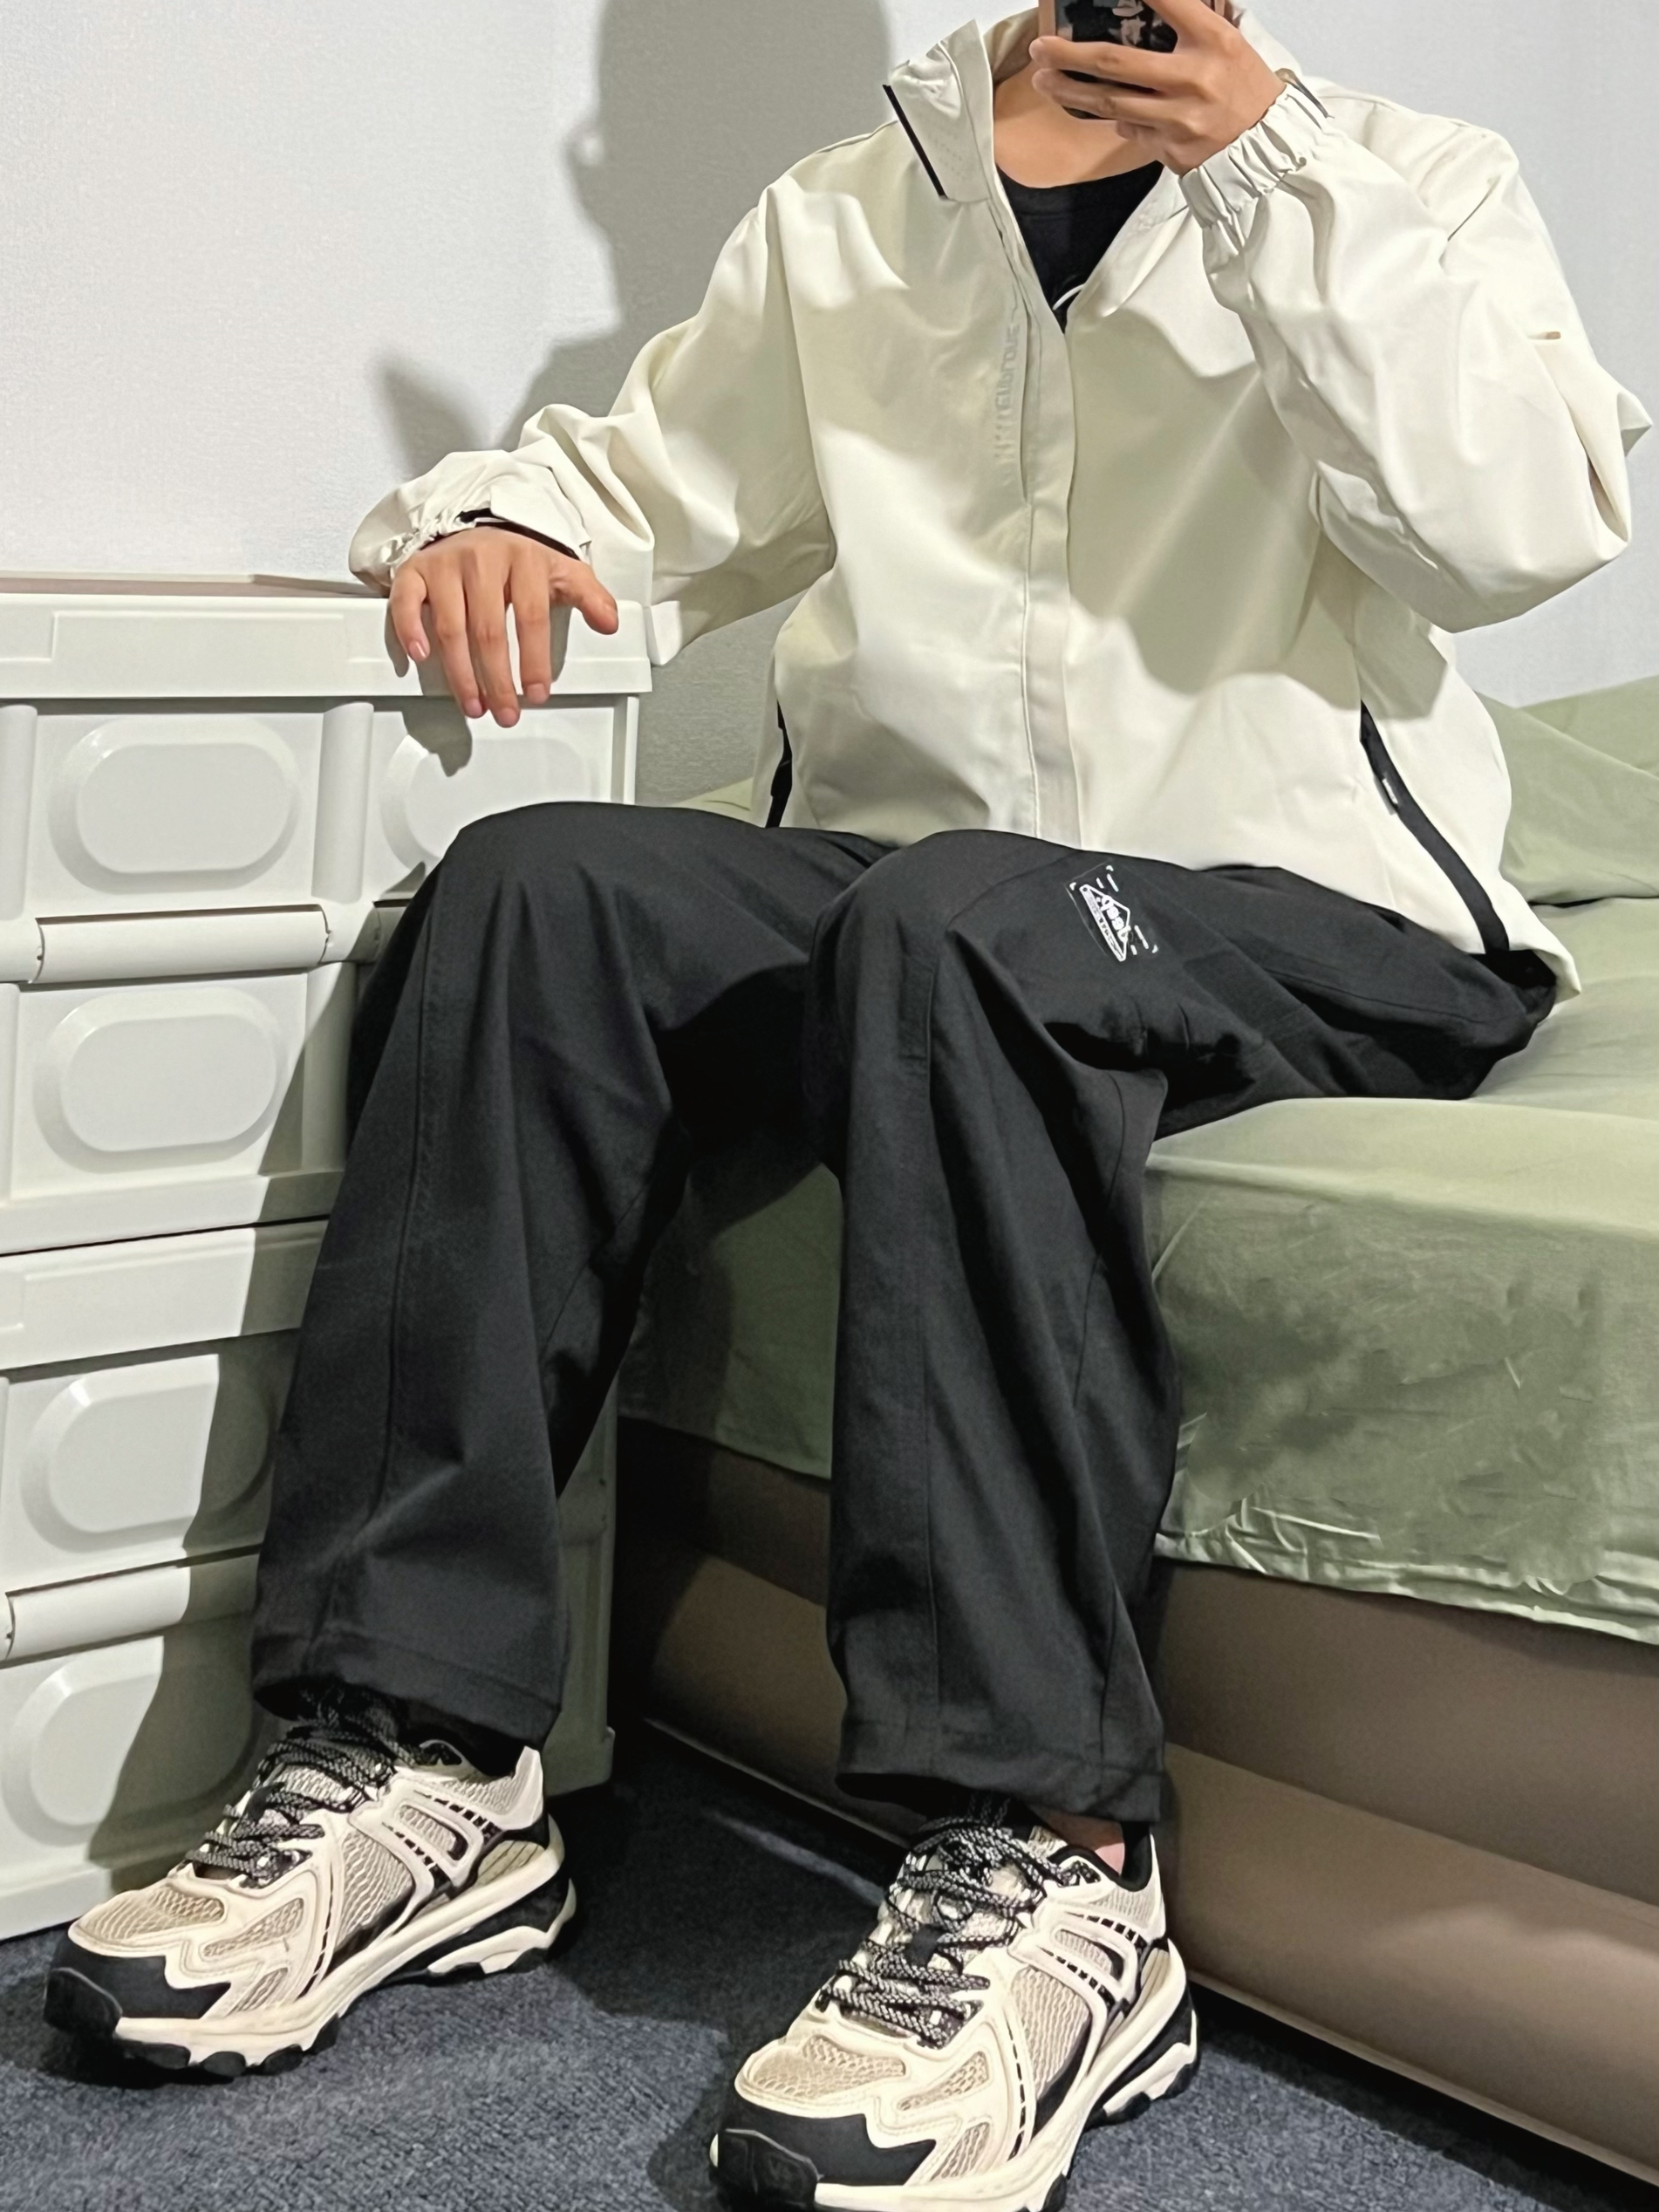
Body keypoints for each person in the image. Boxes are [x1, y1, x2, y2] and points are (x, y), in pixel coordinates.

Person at [44, 3, 1645, 2205]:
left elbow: (1514, 529)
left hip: (1312, 905)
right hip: (936, 904)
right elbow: (648, 488)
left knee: (964, 921)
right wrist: (499, 511)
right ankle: (422, 1746)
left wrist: (1269, 176)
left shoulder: (1402, 176)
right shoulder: (856, 213)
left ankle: (1058, 1856)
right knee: (542, 886)